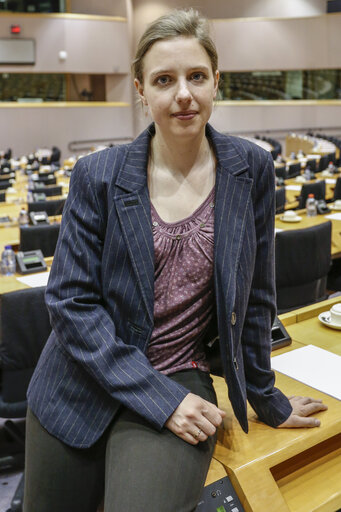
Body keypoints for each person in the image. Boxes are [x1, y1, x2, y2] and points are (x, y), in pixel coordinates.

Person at [23, 8, 327, 512]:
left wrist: (266, 398)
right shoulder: (97, 175)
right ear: (142, 91)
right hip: (78, 381)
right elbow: (70, 303)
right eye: (164, 80)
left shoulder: (250, 168)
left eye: (196, 77)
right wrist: (157, 399)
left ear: (215, 84)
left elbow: (254, 299)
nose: (183, 93)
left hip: (178, 374)